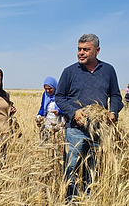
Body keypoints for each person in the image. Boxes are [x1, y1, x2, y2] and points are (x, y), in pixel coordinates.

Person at [55, 34, 123, 201]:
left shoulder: (108, 70)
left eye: (86, 49)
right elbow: (59, 97)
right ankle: (70, 201)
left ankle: (87, 200)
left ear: (97, 50)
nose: (81, 53)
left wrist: (113, 112)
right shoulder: (69, 71)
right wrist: (74, 113)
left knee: (92, 168)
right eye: (79, 49)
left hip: (99, 131)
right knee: (70, 168)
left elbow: (115, 96)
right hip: (74, 131)